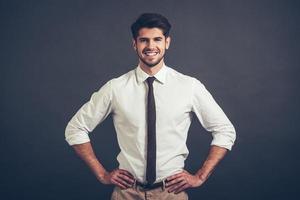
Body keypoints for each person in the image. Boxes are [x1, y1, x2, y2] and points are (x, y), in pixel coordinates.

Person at [65, 13, 236, 200]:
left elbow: (225, 131)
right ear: (134, 44)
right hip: (127, 193)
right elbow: (75, 129)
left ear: (167, 42)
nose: (150, 46)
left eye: (157, 39)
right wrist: (102, 174)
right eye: (144, 40)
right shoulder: (116, 88)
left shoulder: (189, 86)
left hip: (171, 193)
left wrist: (201, 176)